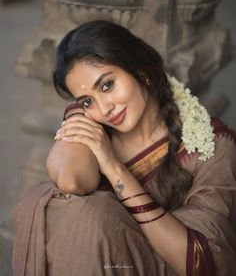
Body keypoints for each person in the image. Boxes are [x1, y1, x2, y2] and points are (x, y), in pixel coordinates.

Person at [12, 20, 236, 276]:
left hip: (156, 266)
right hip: (101, 261)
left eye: (107, 85)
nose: (104, 108)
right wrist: (77, 114)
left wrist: (113, 167)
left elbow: (199, 264)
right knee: (54, 209)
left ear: (142, 72)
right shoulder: (95, 124)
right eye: (87, 100)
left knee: (84, 219)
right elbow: (70, 180)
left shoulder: (213, 143)